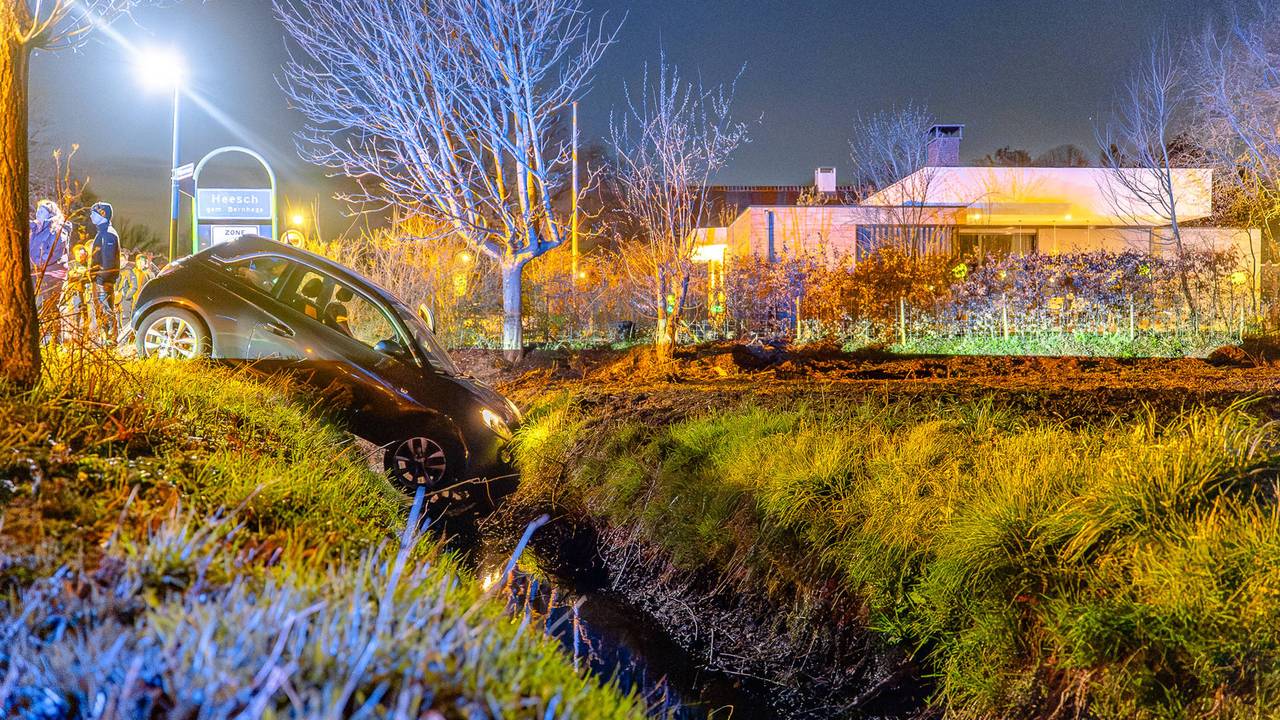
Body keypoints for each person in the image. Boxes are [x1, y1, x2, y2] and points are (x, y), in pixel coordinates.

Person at [28, 199, 71, 343]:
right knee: (36, 303)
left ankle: (54, 337)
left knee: (49, 304)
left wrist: (40, 263)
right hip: (38, 271)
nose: (38, 212)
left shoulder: (57, 228)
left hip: (52, 272)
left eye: (42, 211)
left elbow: (54, 251)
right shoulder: (37, 229)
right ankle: (42, 334)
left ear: (50, 214)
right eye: (38, 210)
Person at [88, 202, 121, 342]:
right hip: (101, 279)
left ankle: (110, 341)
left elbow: (108, 261)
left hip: (103, 280)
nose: (90, 216)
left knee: (105, 310)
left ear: (103, 214)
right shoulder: (103, 232)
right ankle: (107, 339)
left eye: (93, 213)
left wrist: (100, 278)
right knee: (102, 310)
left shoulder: (107, 234)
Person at [60, 243, 92, 336]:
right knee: (75, 314)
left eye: (83, 253)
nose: (81, 256)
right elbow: (70, 276)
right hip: (75, 293)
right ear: (75, 254)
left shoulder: (89, 264)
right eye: (78, 254)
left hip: (87, 294)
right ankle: (74, 334)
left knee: (87, 314)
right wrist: (82, 273)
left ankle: (86, 335)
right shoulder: (71, 264)